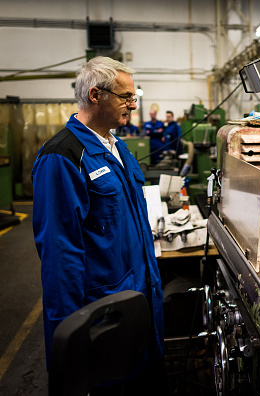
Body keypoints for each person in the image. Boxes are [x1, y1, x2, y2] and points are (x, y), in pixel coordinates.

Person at [31, 56, 165, 394]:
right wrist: (71, 343)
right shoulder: (62, 156)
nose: (133, 105)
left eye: (134, 97)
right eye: (126, 97)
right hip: (102, 313)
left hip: (137, 298)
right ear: (95, 95)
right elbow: (60, 259)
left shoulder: (118, 147)